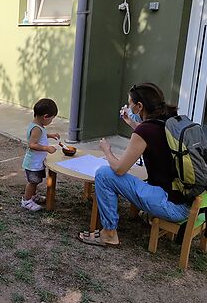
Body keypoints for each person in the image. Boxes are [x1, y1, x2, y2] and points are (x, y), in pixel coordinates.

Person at [77, 83, 190, 247]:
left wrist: (107, 150)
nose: (128, 107)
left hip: (171, 206)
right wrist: (131, 122)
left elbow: (119, 169)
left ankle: (109, 233)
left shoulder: (145, 131)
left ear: (139, 106)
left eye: (130, 104)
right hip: (186, 201)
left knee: (104, 174)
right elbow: (150, 133)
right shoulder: (169, 121)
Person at [21, 98, 60, 211]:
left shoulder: (38, 126)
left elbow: (40, 136)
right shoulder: (37, 129)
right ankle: (26, 201)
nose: (51, 121)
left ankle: (33, 196)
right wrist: (46, 148)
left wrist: (50, 135)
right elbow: (32, 144)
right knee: (33, 182)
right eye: (52, 119)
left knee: (36, 181)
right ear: (46, 116)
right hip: (33, 163)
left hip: (37, 162)